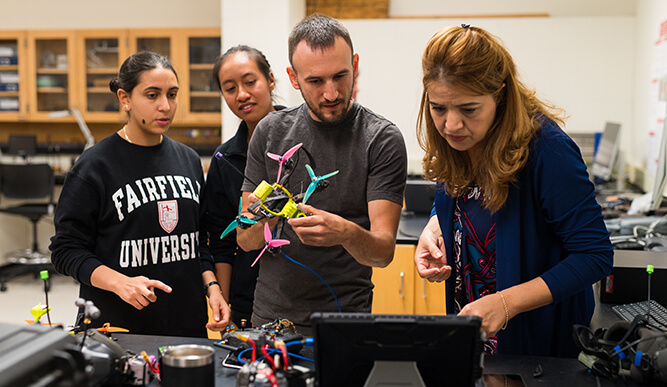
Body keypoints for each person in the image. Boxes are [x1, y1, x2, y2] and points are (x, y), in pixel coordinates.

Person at [413, 25, 613, 357]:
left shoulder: (548, 151)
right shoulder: (456, 143)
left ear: (500, 95)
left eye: (469, 109)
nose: (451, 125)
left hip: (536, 349)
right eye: (438, 108)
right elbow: (462, 203)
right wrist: (435, 226)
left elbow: (595, 256)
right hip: (478, 342)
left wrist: (506, 304)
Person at [237, 13, 407, 335]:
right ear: (292, 77)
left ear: (355, 65)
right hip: (270, 322)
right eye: (315, 81)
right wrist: (273, 213)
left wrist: (344, 232)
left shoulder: (381, 138)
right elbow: (244, 239)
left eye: (341, 76)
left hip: (345, 324)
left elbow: (383, 252)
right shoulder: (269, 133)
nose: (331, 94)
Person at [50, 51, 230, 338]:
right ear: (125, 99)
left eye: (172, 95)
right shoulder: (94, 166)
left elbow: (200, 240)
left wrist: (212, 288)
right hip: (118, 324)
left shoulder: (189, 160)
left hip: (185, 320)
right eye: (152, 95)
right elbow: (65, 250)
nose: (165, 106)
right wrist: (119, 282)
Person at [206, 45, 284, 327]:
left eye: (250, 82)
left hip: (303, 295)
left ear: (271, 80)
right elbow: (221, 240)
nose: (241, 94)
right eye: (230, 88)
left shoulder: (307, 143)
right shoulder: (224, 160)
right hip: (247, 302)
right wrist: (225, 305)